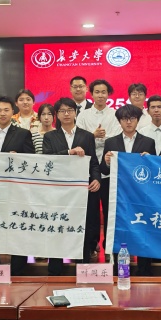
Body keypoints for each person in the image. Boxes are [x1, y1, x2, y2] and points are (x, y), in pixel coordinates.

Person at [43, 98, 101, 275]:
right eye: (62, 111)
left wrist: (96, 178)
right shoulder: (50, 136)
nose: (66, 114)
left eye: (70, 110)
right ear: (57, 115)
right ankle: (55, 271)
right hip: (58, 192)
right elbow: (47, 160)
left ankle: (83, 268)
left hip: (82, 191)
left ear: (76, 113)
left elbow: (93, 162)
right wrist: (69, 152)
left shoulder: (86, 136)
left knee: (83, 228)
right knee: (57, 228)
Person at [0, 95, 35, 276]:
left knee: (17, 228)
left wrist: (19, 158)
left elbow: (31, 162)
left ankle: (18, 270)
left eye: (6, 110)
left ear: (12, 112)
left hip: (15, 191)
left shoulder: (23, 134)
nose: (2, 113)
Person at [100, 104, 156, 275]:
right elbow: (103, 170)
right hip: (119, 196)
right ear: (119, 121)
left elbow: (155, 173)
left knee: (143, 230)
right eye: (125, 119)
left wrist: (151, 161)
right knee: (119, 232)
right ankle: (120, 271)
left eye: (132, 118)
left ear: (137, 120)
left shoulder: (148, 142)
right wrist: (107, 162)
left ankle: (144, 272)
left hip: (141, 196)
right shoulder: (111, 142)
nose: (129, 122)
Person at [76, 79, 122, 255]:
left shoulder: (115, 114)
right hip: (89, 169)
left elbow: (117, 138)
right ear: (91, 93)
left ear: (108, 94)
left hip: (110, 169)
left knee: (110, 211)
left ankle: (109, 247)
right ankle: (91, 246)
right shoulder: (83, 115)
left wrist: (102, 138)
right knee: (91, 212)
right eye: (97, 92)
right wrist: (92, 136)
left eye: (104, 92)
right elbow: (79, 139)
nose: (100, 95)